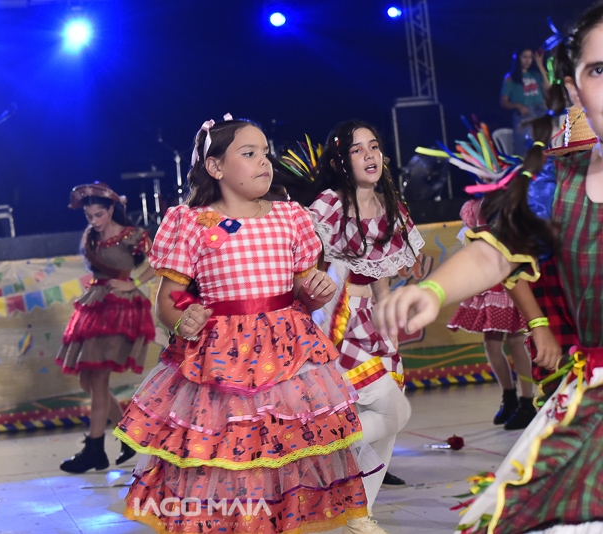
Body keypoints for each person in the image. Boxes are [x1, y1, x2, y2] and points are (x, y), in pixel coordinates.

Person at [373, 5, 603, 531]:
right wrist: (434, 289)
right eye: (600, 69)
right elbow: (494, 251)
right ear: (574, 90)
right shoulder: (557, 184)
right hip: (593, 398)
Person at [113, 115, 382, 534]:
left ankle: (287, 520)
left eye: (265, 153)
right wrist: (184, 320)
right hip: (222, 359)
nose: (264, 161)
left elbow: (304, 291)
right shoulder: (191, 222)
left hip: (287, 350)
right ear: (215, 167)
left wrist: (318, 289)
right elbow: (167, 301)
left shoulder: (290, 217)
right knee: (232, 449)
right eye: (249, 153)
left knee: (289, 442)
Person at [277, 121, 422, 533]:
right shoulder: (329, 204)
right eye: (357, 150)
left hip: (373, 322)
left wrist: (388, 322)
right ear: (341, 161)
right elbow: (299, 258)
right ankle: (315, 443)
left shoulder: (389, 203)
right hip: (335, 322)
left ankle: (360, 513)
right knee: (394, 410)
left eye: (373, 146)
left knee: (388, 421)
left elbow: (381, 274)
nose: (369, 155)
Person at [55, 182, 155, 474]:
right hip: (96, 305)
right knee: (88, 380)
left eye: (99, 215)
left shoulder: (133, 236)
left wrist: (134, 282)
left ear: (111, 210)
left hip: (120, 310)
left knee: (98, 379)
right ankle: (128, 436)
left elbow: (161, 261)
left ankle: (95, 448)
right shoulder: (91, 236)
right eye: (89, 216)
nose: (94, 221)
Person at [446, 198, 536, 430]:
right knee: (492, 343)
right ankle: (509, 397)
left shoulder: (512, 199)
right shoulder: (473, 207)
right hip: (489, 277)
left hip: (511, 274)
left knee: (516, 341)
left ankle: (527, 401)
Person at [500, 47, 551, 156]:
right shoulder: (510, 78)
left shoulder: (535, 75)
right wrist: (518, 105)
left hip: (540, 113)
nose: (528, 60)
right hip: (524, 115)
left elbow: (548, 88)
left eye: (530, 57)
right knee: (523, 150)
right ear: (518, 58)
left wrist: (540, 65)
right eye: (524, 57)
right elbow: (503, 102)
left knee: (544, 147)